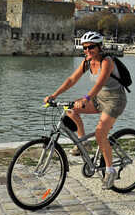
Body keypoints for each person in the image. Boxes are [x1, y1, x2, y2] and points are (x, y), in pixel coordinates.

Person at [44, 31, 127, 190]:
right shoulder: (87, 62)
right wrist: (54, 95)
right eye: (85, 47)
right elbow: (71, 80)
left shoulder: (107, 61)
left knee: (100, 133)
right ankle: (85, 144)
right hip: (98, 97)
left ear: (99, 47)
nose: (88, 50)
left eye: (91, 47)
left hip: (115, 99)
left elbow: (99, 83)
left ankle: (110, 171)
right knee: (70, 109)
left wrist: (86, 99)